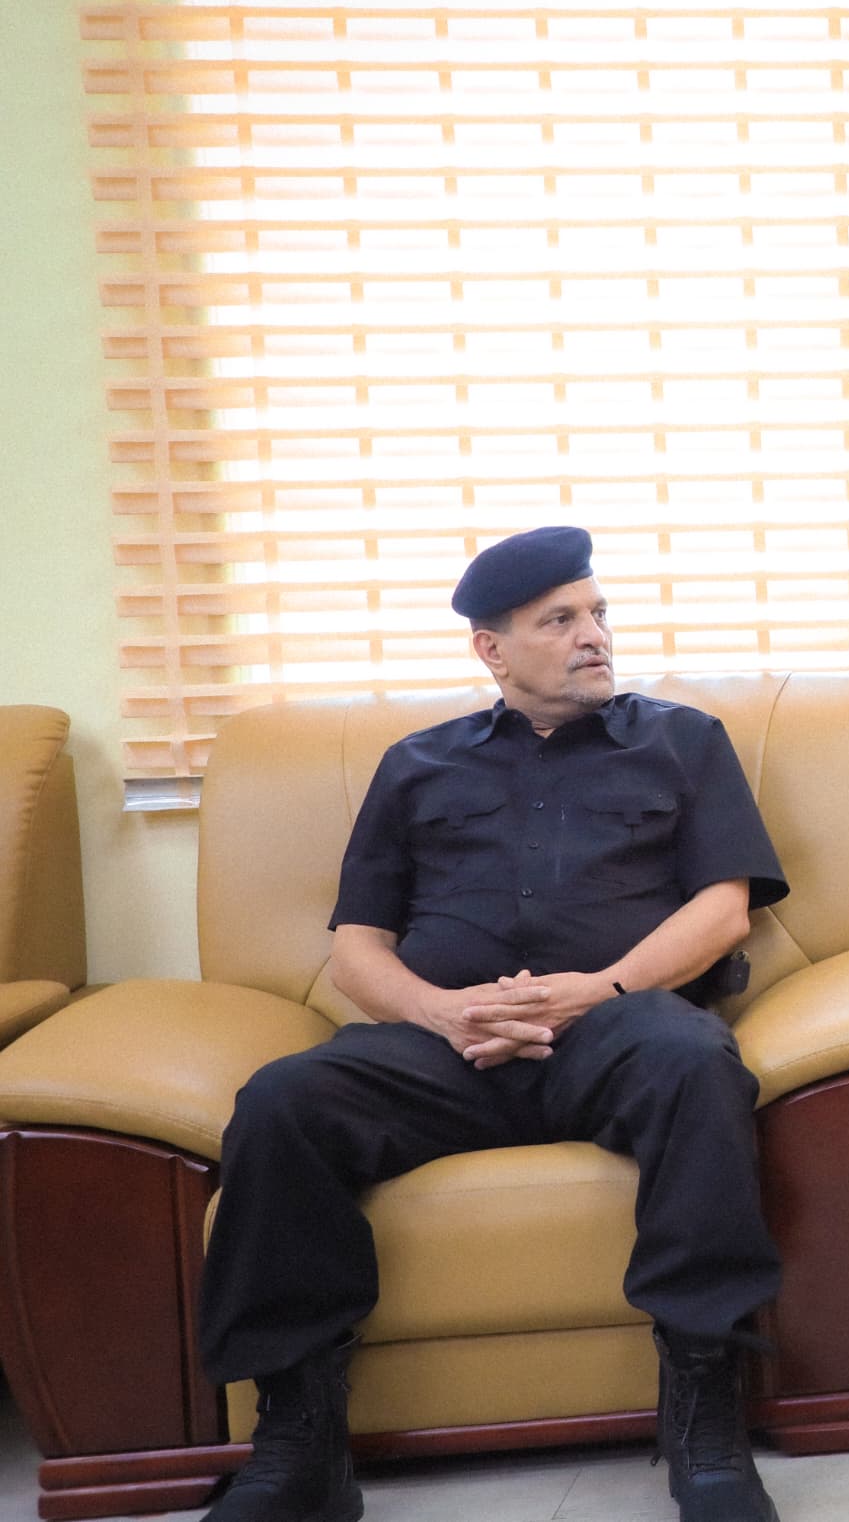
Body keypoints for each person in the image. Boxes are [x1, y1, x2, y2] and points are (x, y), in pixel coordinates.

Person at [196, 526, 794, 1522]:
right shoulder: (415, 765)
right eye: (559, 620)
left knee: (696, 1060)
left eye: (598, 612)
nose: (594, 634)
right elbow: (356, 951)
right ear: (492, 649)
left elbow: (724, 909)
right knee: (282, 1100)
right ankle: (298, 1444)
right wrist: (442, 1011)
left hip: (615, 1032)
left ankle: (707, 1424)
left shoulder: (684, 742)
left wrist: (595, 990)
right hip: (446, 1051)